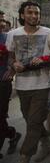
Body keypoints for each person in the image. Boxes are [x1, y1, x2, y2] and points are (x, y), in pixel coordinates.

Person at [6, 1, 50, 163]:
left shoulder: (49, 33)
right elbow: (10, 56)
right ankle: (46, 144)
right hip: (22, 86)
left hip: (42, 85)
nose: (34, 16)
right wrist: (13, 64)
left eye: (36, 13)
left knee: (34, 121)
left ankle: (25, 156)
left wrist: (44, 60)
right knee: (31, 121)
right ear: (22, 15)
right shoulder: (13, 34)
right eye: (30, 13)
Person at [0, 19, 21, 159]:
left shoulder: (6, 37)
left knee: (0, 117)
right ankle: (12, 134)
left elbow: (16, 56)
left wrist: (12, 70)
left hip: (2, 82)